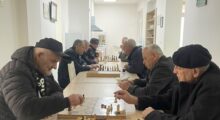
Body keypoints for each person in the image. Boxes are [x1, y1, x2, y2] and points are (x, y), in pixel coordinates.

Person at [115, 44, 220, 120]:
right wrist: (136, 100)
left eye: (178, 68)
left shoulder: (213, 88)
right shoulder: (191, 77)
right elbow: (168, 98)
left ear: (195, 71)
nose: (174, 71)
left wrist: (154, 116)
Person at [0, 38, 84, 120]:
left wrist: (42, 107)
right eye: (53, 61)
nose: (55, 67)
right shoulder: (15, 71)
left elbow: (58, 91)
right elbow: (25, 111)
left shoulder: (42, 69)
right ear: (40, 55)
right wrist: (67, 102)